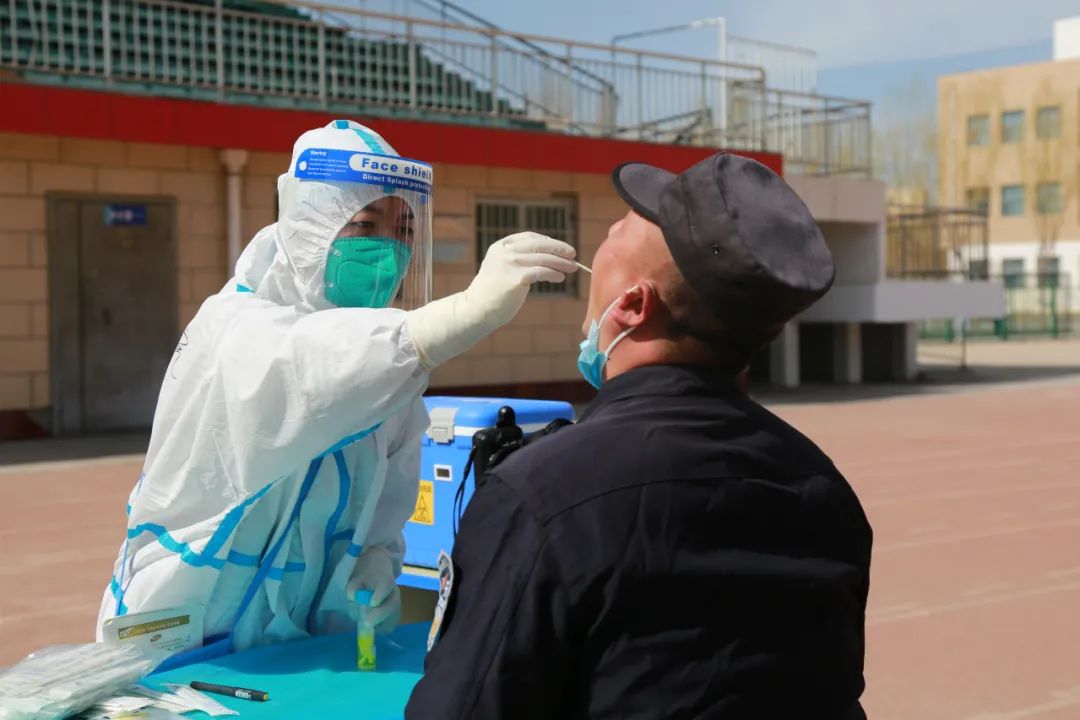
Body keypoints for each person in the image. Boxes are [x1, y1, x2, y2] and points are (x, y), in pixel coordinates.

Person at [406, 153, 873, 719]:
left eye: (614, 233)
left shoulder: (543, 498)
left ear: (631, 306)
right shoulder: (825, 493)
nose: (601, 243)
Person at [97, 119, 578, 656]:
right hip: (179, 636)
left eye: (404, 229)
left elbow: (387, 496)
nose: (389, 249)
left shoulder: (386, 368)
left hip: (300, 648)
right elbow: (310, 370)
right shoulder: (232, 328)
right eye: (365, 225)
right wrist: (460, 314)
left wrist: (378, 559)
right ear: (309, 227)